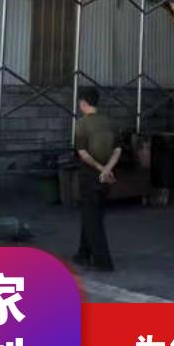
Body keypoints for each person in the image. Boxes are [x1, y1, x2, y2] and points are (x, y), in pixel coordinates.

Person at [72, 87, 121, 272]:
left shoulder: (82, 124)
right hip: (106, 175)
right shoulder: (110, 122)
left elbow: (82, 153)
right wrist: (108, 169)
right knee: (93, 214)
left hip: (90, 174)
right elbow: (118, 149)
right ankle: (83, 253)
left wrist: (100, 169)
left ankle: (103, 261)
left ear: (83, 103)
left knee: (92, 219)